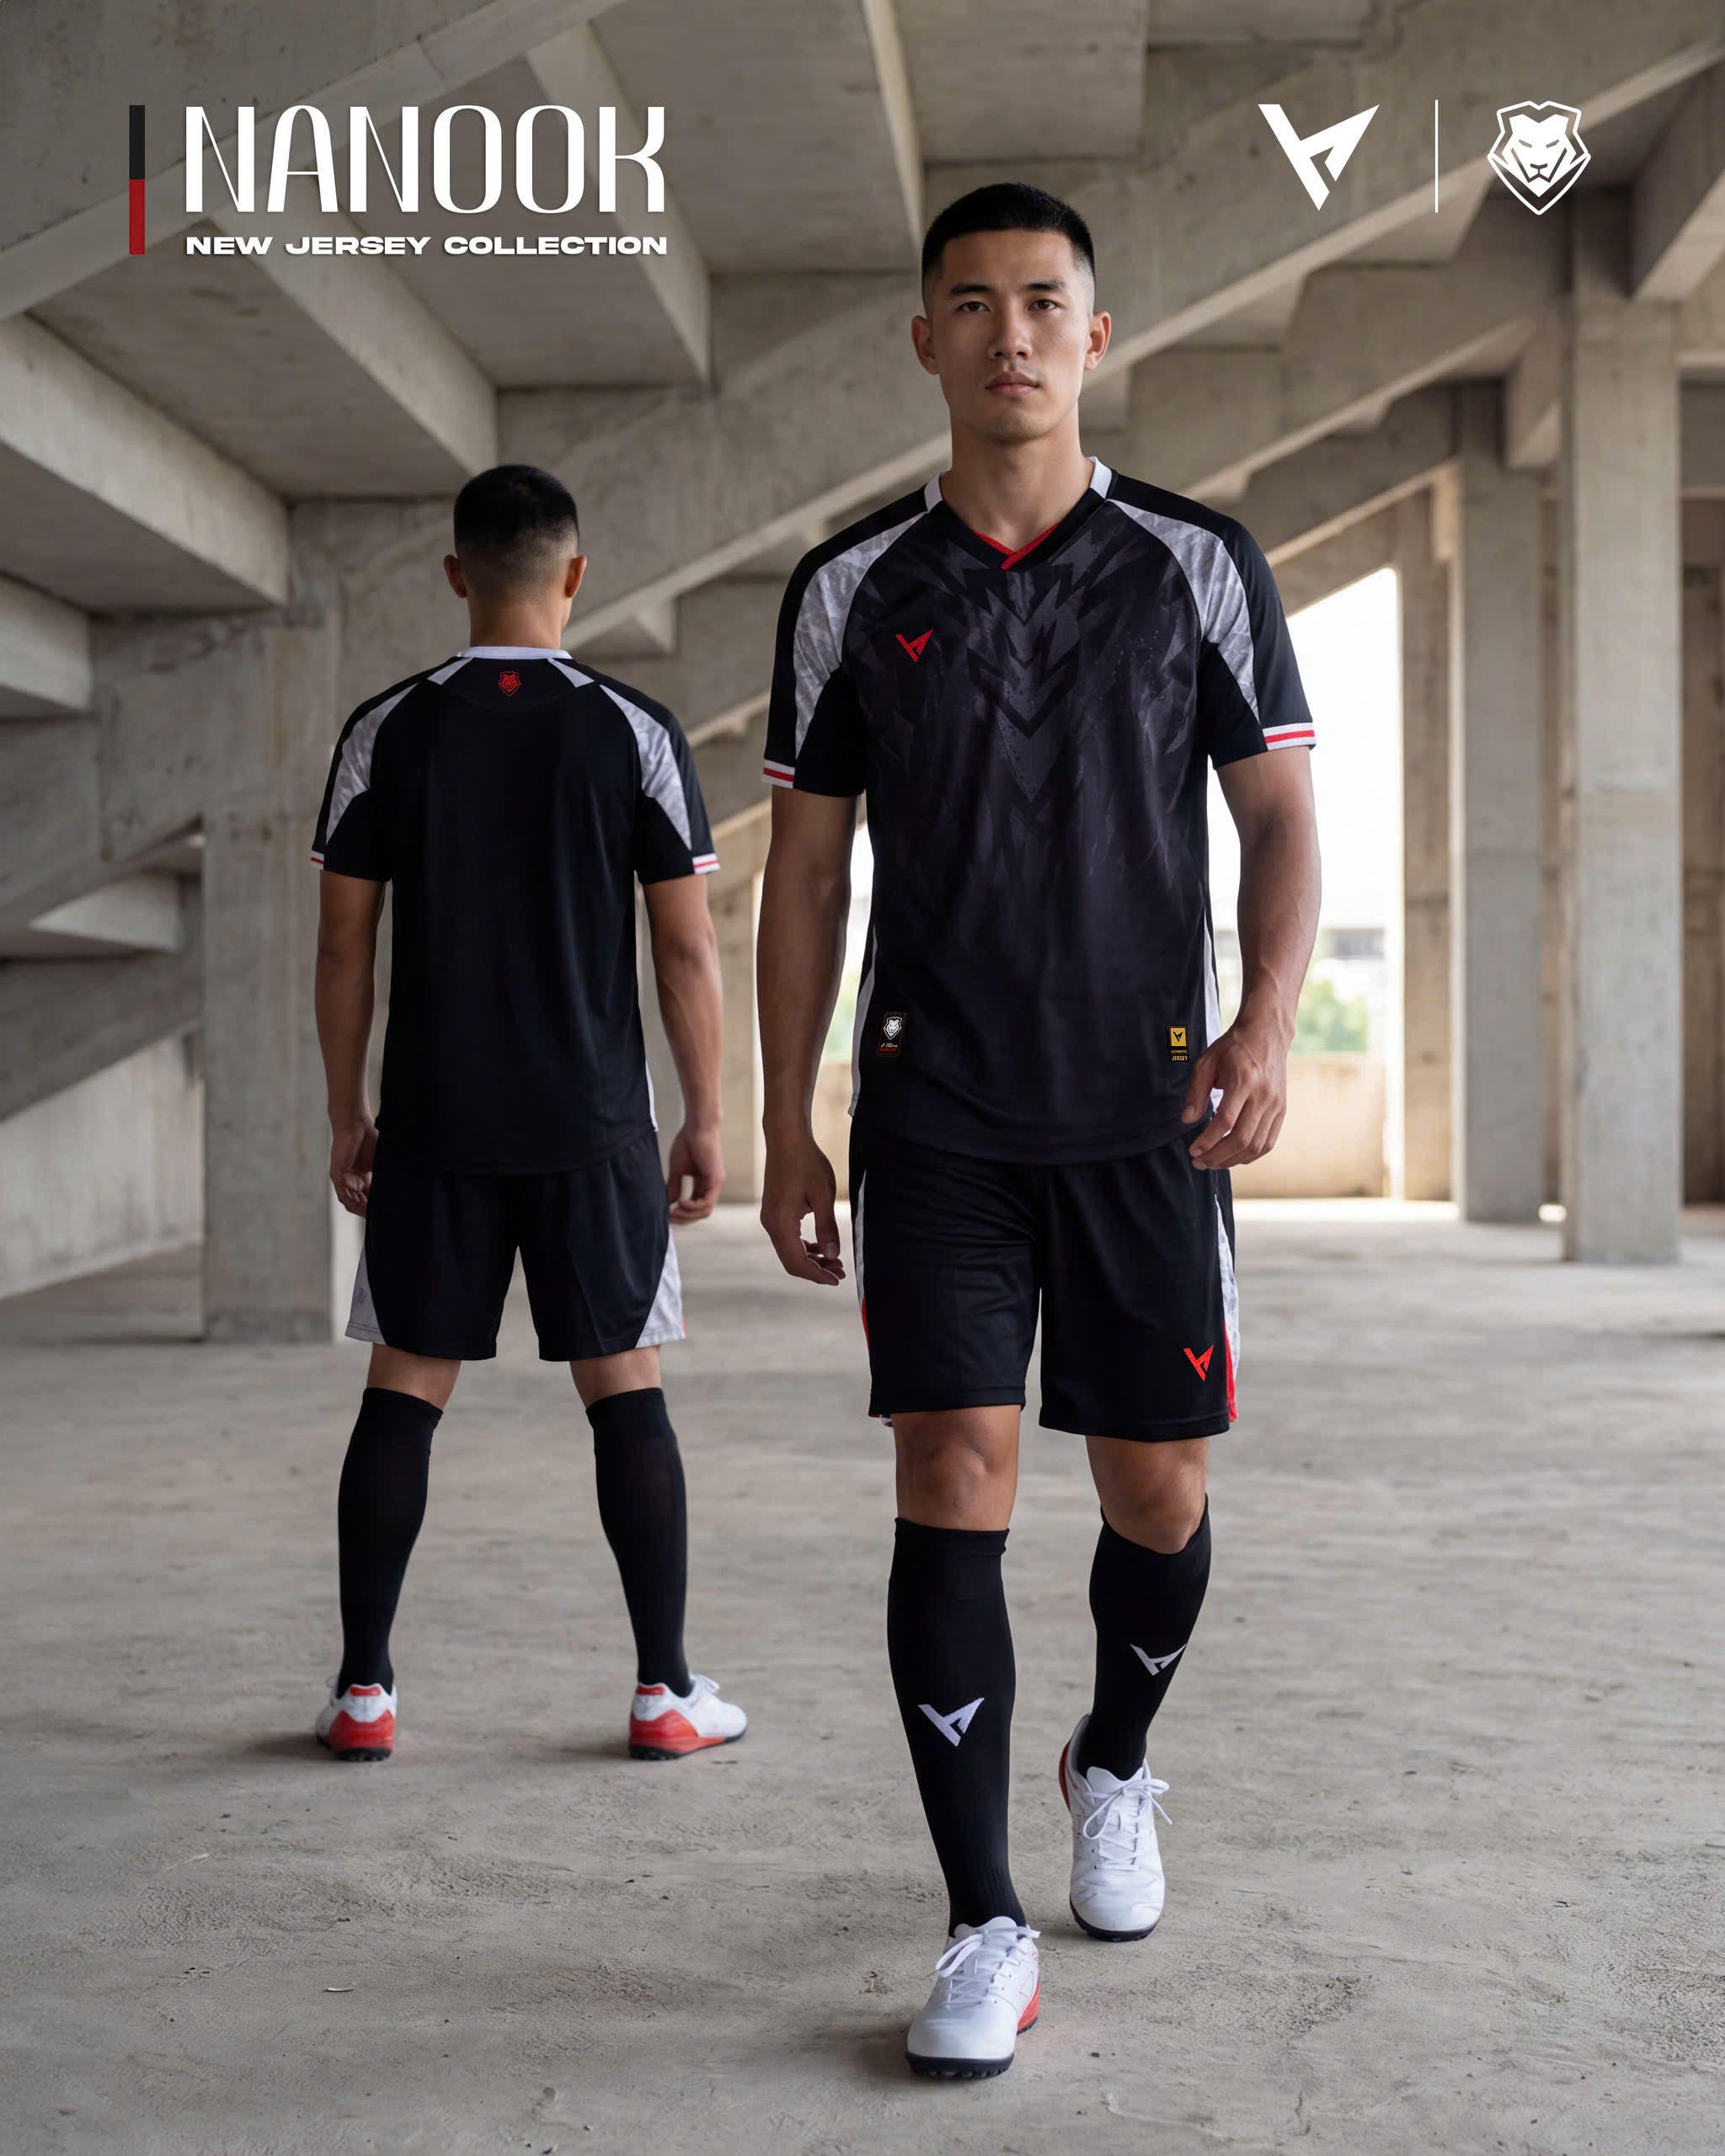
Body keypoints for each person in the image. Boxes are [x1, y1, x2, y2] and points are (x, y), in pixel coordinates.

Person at [755, 184, 1320, 2077]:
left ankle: (1115, 1763)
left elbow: (1279, 820)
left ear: (1095, 334)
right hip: (935, 1112)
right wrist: (787, 1116)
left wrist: (1262, 1022)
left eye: (1044, 302)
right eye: (974, 304)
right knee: (953, 1476)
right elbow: (806, 873)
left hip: (1147, 1113)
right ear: (923, 338)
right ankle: (981, 1921)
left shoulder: (1196, 562)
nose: (1011, 333)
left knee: (1157, 1494)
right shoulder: (849, 586)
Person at [308, 462, 746, 1767]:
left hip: (436, 1122)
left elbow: (343, 948)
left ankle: (364, 1693)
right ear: (576, 573)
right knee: (626, 1389)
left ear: (456, 575)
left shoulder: (387, 730)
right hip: (592, 1125)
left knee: (404, 1387)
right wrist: (708, 1113)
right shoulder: (633, 730)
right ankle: (664, 1691)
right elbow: (685, 951)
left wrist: (345, 1109)